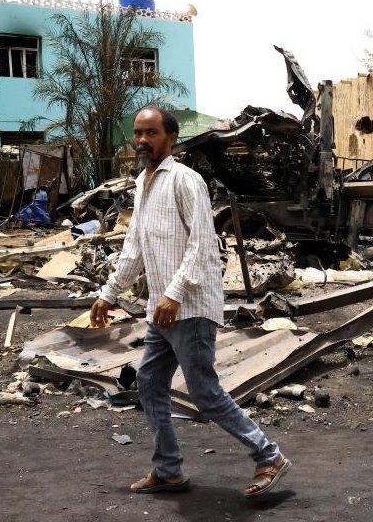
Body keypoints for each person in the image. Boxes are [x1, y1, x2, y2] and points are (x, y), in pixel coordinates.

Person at [89, 106, 291, 498]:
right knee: (148, 384)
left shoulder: (186, 180)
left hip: (189, 308)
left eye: (151, 133)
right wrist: (108, 294)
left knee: (204, 393)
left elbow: (203, 245)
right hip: (161, 312)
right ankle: (168, 470)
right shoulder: (142, 183)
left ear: (171, 138)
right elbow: (134, 248)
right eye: (138, 133)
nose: (142, 140)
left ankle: (269, 455)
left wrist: (173, 294)